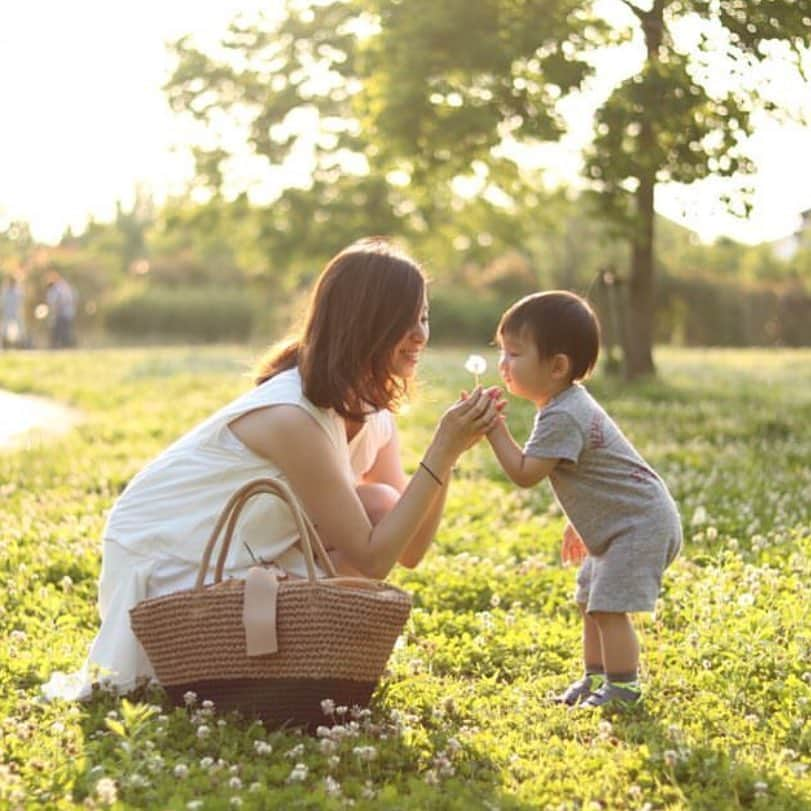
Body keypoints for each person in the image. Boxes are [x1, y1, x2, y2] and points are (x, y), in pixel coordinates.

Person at [43, 238, 501, 700]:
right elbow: (372, 557)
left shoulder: (372, 408)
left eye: (423, 316)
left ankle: (292, 662)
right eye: (405, 321)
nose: (420, 334)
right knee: (374, 512)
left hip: (251, 552)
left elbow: (409, 547)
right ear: (364, 323)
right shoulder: (293, 416)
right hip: (171, 555)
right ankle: (244, 665)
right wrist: (439, 452)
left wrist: (453, 453)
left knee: (383, 502)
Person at [486, 291, 682, 708]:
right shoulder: (562, 406)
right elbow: (593, 473)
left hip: (640, 523)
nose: (503, 363)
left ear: (557, 366)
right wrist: (582, 519)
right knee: (590, 603)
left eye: (515, 353)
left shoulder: (563, 413)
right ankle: (594, 679)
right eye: (502, 351)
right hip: (621, 520)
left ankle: (623, 689)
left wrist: (493, 429)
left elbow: (524, 474)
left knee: (609, 608)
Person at [45, 270, 77, 348]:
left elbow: (63, 300)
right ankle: (61, 345)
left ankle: (64, 345)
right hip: (64, 313)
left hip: (63, 313)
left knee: (62, 331)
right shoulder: (62, 286)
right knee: (62, 330)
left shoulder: (60, 287)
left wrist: (56, 308)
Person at [1, 274, 27, 348]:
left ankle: (22, 343)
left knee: (21, 328)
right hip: (8, 312)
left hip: (15, 312)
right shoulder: (5, 291)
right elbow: (2, 302)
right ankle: (5, 344)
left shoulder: (17, 291)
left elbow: (22, 299)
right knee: (4, 328)